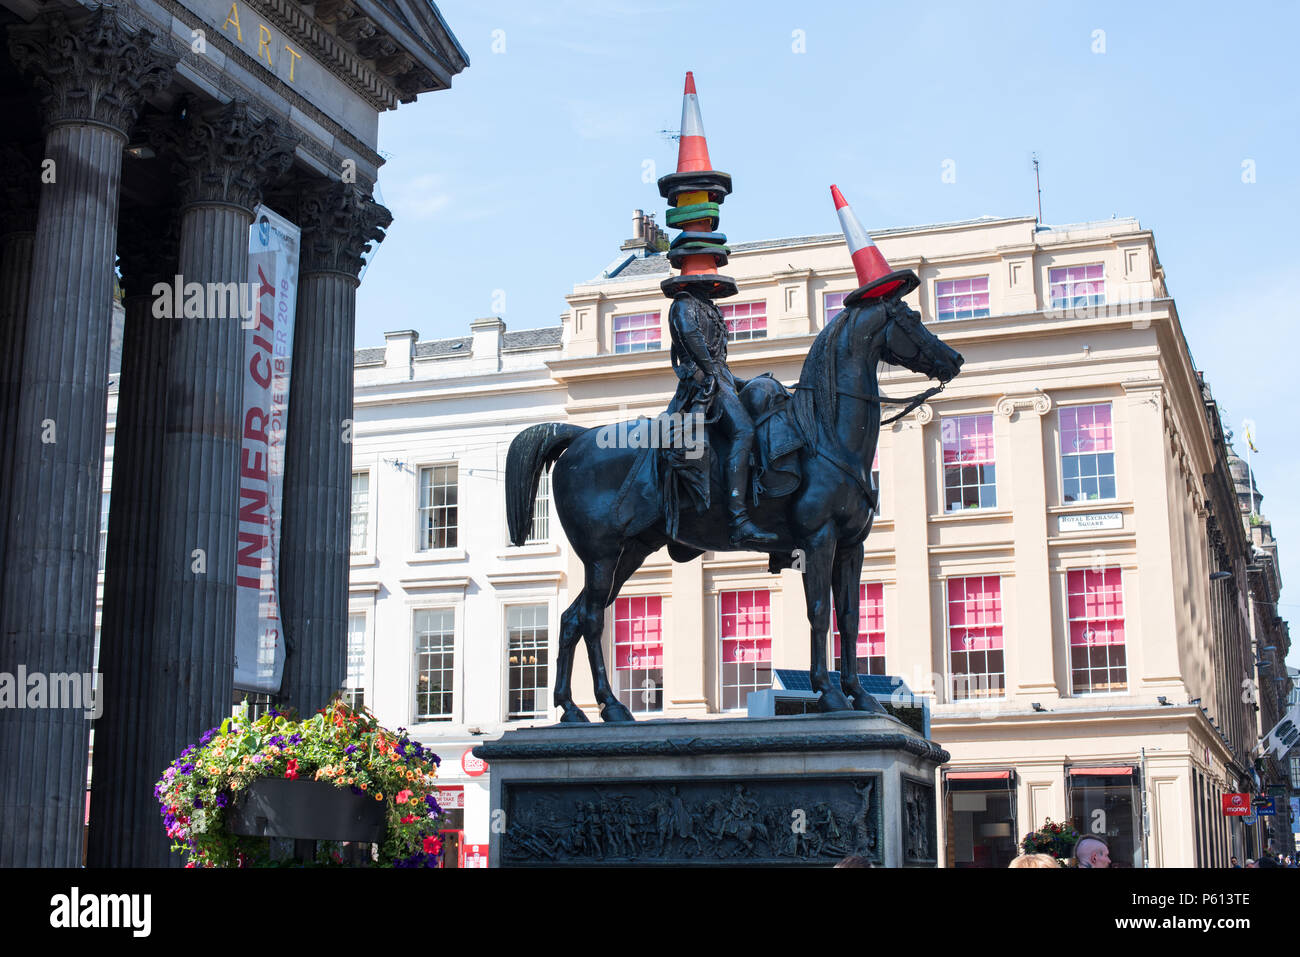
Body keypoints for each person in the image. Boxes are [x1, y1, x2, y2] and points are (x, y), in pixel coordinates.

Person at [666, 286, 777, 548]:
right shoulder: (684, 304)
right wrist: (714, 377)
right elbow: (697, 348)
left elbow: (720, 364)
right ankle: (738, 519)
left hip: (720, 382)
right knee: (744, 430)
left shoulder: (708, 307)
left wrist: (742, 382)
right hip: (702, 384)